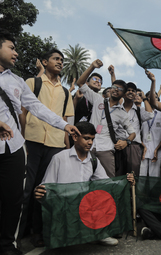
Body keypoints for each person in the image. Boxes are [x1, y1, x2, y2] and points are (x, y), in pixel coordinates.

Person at [0, 28, 79, 255]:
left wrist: (65, 126)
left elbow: (36, 108)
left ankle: (9, 245)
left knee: (16, 197)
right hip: (30, 142)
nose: (16, 53)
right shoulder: (33, 81)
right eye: (11, 48)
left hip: (14, 148)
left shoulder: (17, 81)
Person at [19, 48, 76, 245]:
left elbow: (65, 122)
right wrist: (22, 140)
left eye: (62, 60)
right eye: (56, 59)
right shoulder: (32, 83)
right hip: (31, 142)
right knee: (25, 189)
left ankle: (38, 232)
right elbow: (22, 112)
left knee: (44, 190)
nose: (60, 62)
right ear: (45, 62)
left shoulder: (66, 92)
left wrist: (67, 150)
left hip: (55, 145)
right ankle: (17, 232)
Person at [34, 122, 119, 246]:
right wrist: (39, 192)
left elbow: (106, 184)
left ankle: (100, 233)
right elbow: (47, 187)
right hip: (63, 207)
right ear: (75, 137)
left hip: (83, 206)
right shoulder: (59, 158)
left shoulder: (94, 160)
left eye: (92, 139)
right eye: (86, 138)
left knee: (104, 196)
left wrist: (125, 181)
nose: (90, 143)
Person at [77, 59, 136, 177]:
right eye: (114, 86)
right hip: (89, 144)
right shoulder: (98, 99)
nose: (115, 89)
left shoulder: (122, 113)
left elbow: (132, 133)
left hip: (106, 148)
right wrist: (92, 66)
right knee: (83, 176)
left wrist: (126, 142)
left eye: (120, 89)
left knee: (108, 178)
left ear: (123, 94)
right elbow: (80, 83)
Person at [115, 81, 154, 176]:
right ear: (123, 94)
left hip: (133, 146)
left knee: (132, 176)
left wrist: (144, 97)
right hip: (118, 145)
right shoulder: (116, 109)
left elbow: (150, 114)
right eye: (128, 90)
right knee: (118, 175)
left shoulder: (139, 110)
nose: (131, 92)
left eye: (133, 91)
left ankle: (132, 191)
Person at [140, 91, 161, 177]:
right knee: (141, 177)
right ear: (146, 99)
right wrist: (142, 145)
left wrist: (157, 149)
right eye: (149, 97)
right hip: (143, 150)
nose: (153, 98)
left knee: (154, 177)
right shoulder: (141, 112)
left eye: (155, 97)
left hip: (157, 151)